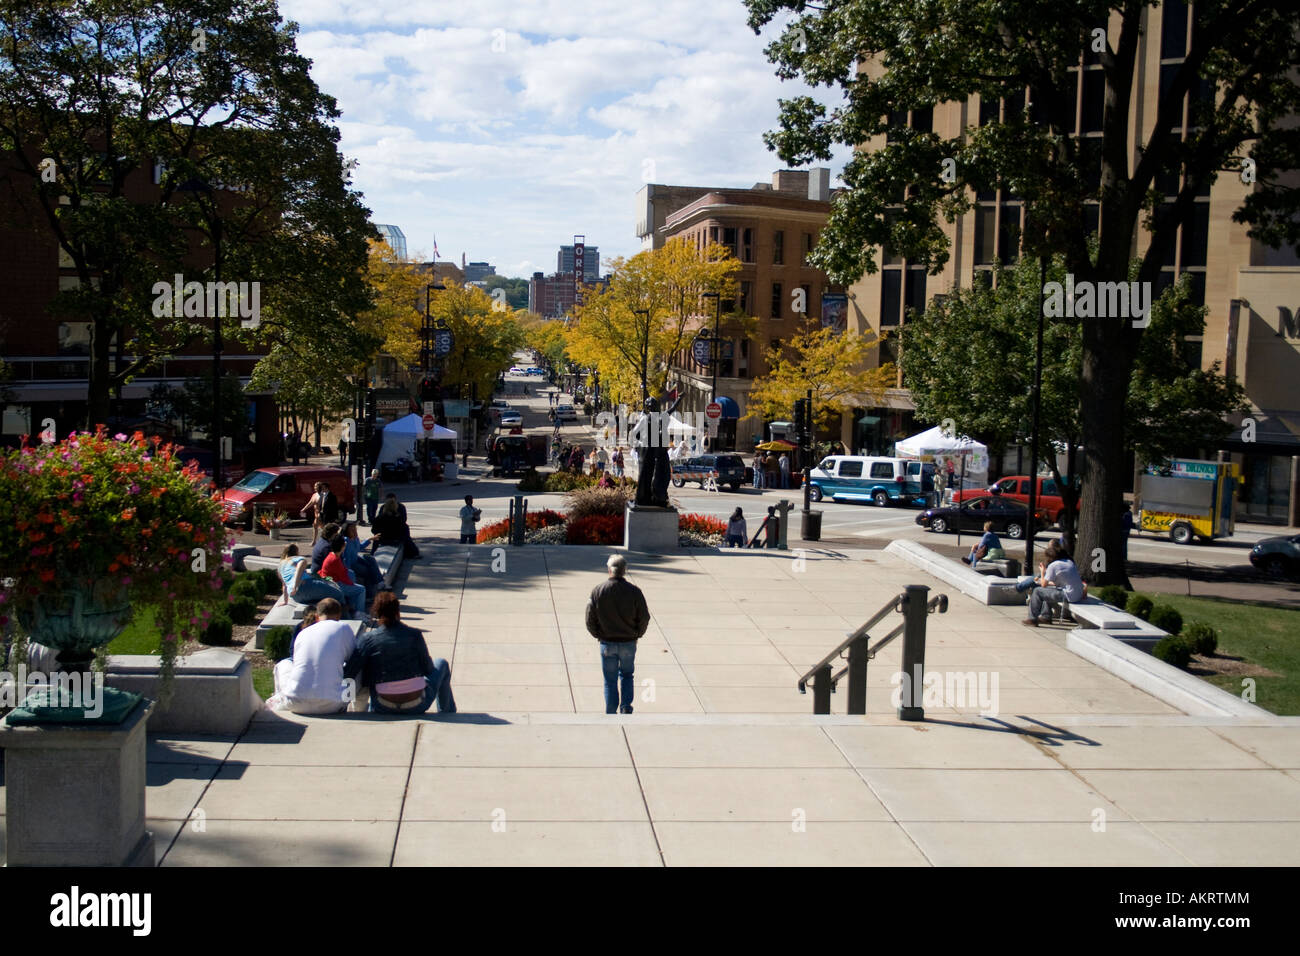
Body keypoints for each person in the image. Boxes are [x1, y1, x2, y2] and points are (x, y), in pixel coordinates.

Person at [345, 592, 456, 715]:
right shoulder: (415, 635)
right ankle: (447, 713)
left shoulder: (368, 639)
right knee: (441, 663)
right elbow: (428, 668)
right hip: (417, 705)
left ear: (376, 612)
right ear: (398, 611)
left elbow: (350, 672)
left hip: (382, 706)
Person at [585, 554, 650, 714]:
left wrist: (598, 634)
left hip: (607, 642)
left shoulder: (598, 591)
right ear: (624, 570)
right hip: (628, 642)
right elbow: (644, 617)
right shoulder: (635, 592)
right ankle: (626, 707)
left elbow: (589, 618)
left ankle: (610, 712)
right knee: (627, 675)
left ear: (609, 570)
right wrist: (637, 634)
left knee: (610, 680)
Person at [269, 598, 358, 715]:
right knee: (358, 667)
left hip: (294, 702)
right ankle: (357, 708)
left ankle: (279, 698)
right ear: (339, 615)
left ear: (317, 616)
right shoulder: (343, 628)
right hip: (333, 705)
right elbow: (352, 659)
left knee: (283, 664)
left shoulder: (303, 633)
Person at [1023, 541, 1087, 626]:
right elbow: (1062, 581)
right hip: (1078, 593)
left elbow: (1043, 584)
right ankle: (1046, 617)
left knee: (1037, 591)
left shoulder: (1053, 565)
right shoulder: (1068, 562)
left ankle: (1032, 619)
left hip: (1069, 595)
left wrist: (1042, 572)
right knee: (1047, 591)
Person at [278, 544, 355, 613]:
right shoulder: (297, 559)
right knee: (339, 594)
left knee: (322, 600)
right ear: (296, 552)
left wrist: (285, 601)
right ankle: (348, 618)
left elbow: (284, 585)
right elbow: (300, 566)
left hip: (296, 597)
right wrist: (296, 585)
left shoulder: (281, 566)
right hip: (306, 586)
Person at [319, 535, 368, 618]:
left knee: (352, 576)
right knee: (361, 589)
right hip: (334, 584)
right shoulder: (335, 559)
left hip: (329, 580)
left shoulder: (332, 555)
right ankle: (360, 613)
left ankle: (354, 609)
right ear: (343, 546)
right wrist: (352, 584)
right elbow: (344, 578)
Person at [342, 521, 384, 602]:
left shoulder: (355, 539)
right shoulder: (345, 542)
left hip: (356, 559)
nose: (355, 532)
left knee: (370, 559)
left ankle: (380, 581)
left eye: (355, 529)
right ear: (346, 531)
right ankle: (369, 595)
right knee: (367, 571)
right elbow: (345, 560)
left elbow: (359, 547)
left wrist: (369, 539)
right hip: (351, 565)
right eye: (352, 530)